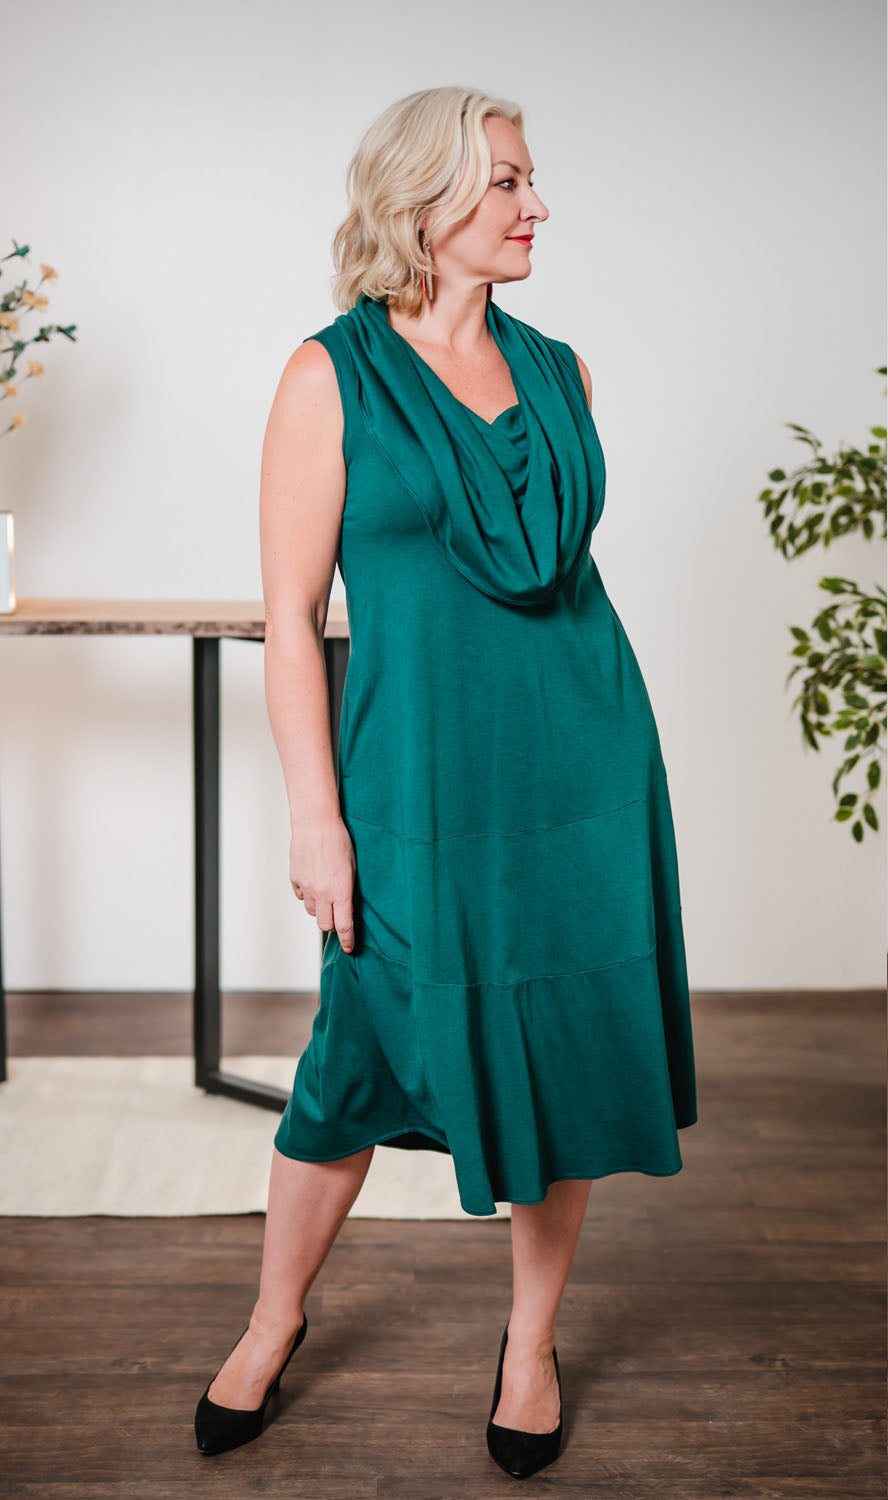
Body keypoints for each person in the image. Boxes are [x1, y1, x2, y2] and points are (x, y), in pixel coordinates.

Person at [194, 85, 698, 1481]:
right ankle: (273, 1320)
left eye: (530, 180)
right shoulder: (329, 376)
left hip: (583, 765)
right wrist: (316, 816)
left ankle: (530, 1345)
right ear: (426, 201)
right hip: (413, 781)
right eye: (510, 182)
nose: (537, 206)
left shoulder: (563, 371)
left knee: (568, 1052)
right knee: (355, 1058)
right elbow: (291, 617)